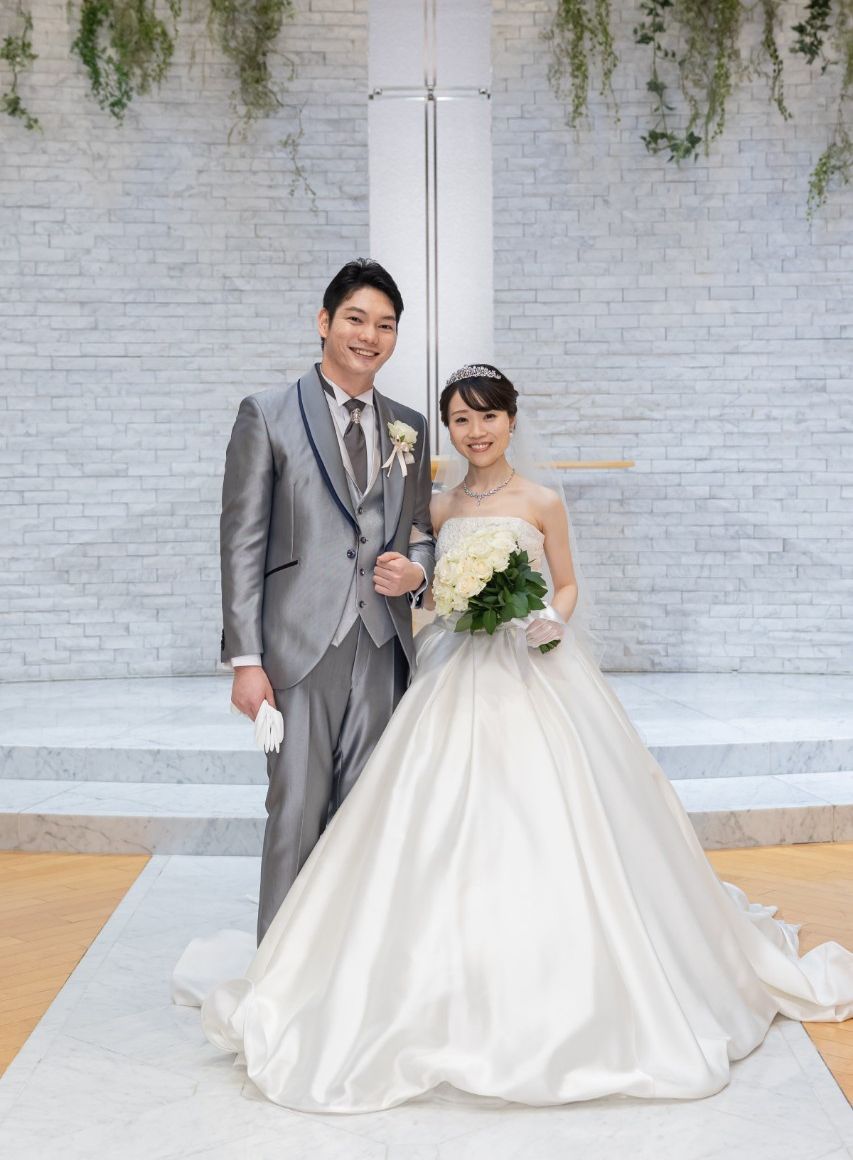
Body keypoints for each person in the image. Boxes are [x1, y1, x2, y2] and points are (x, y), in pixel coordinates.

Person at [182, 364, 853, 1113]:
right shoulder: (435, 506)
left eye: (488, 417)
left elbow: (565, 583)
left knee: (557, 814)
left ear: (511, 420)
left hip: (535, 671)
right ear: (447, 429)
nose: (476, 432)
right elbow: (423, 585)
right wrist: (428, 586)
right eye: (461, 420)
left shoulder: (540, 500)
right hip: (455, 668)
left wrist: (551, 620)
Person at [220, 258, 435, 943]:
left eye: (385, 325)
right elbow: (242, 540)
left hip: (383, 647)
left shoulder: (408, 425)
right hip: (297, 648)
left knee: (368, 814)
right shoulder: (267, 413)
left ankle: (349, 968)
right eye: (356, 319)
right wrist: (246, 660)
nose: (370, 336)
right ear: (324, 321)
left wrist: (417, 573)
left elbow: (421, 529)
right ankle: (279, 976)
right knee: (295, 811)